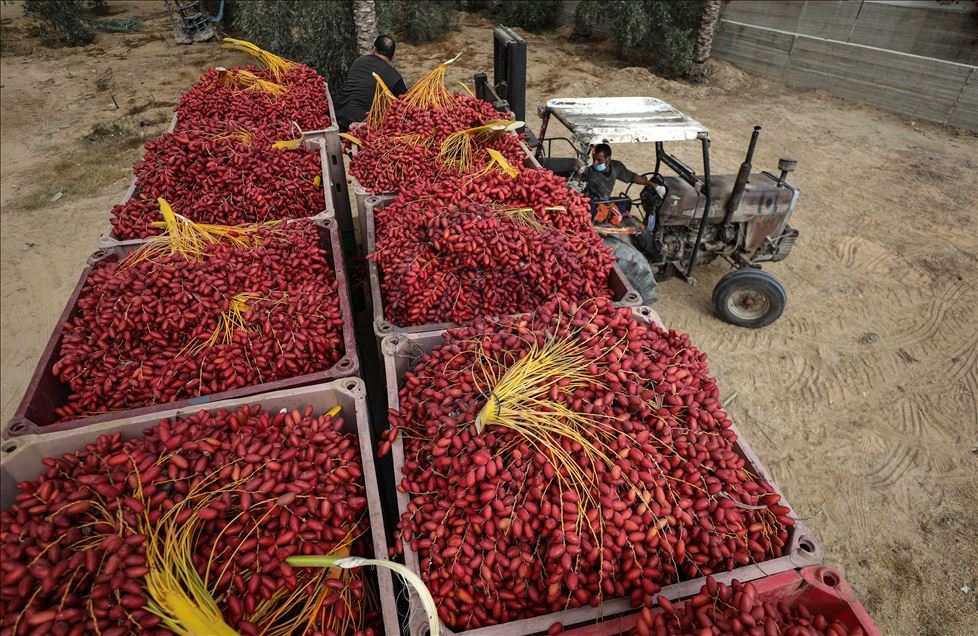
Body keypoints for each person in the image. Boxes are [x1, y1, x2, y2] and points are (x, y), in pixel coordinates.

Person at [335, 35, 407, 132]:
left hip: (339, 116)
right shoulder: (395, 77)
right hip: (362, 124)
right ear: (393, 56)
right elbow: (406, 102)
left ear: (374, 49)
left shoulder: (359, 62)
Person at [583, 143, 660, 224]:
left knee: (626, 202)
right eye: (594, 159)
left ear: (608, 159)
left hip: (605, 202)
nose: (595, 163)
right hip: (592, 206)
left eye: (599, 160)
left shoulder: (616, 166)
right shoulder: (589, 172)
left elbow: (632, 177)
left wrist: (653, 185)